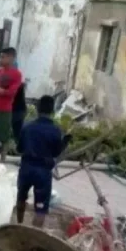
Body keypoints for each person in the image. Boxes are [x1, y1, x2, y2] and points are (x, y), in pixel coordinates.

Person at [15, 95, 72, 228]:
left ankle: (18, 225)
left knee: (21, 198)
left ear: (37, 109)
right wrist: (65, 142)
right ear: (52, 111)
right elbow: (56, 153)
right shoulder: (55, 130)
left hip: (26, 168)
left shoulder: (27, 127)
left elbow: (19, 149)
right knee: (40, 209)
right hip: (43, 172)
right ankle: (34, 235)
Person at [11, 66, 27, 145]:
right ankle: (18, 145)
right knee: (18, 130)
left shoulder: (15, 85)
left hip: (16, 110)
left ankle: (17, 145)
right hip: (21, 110)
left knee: (15, 130)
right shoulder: (20, 84)